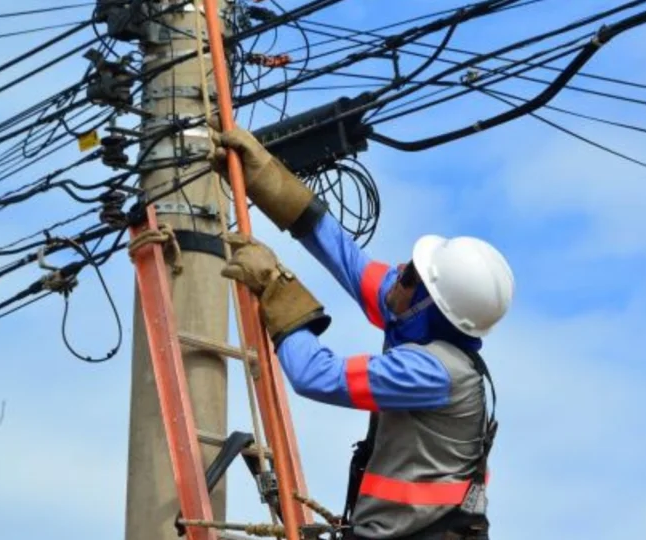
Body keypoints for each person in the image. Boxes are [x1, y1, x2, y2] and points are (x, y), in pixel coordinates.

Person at [210, 125, 514, 540]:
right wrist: (264, 177)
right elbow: (345, 256)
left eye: (410, 277)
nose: (398, 275)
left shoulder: (434, 372)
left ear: (432, 306)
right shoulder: (413, 316)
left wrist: (277, 288)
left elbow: (316, 375)